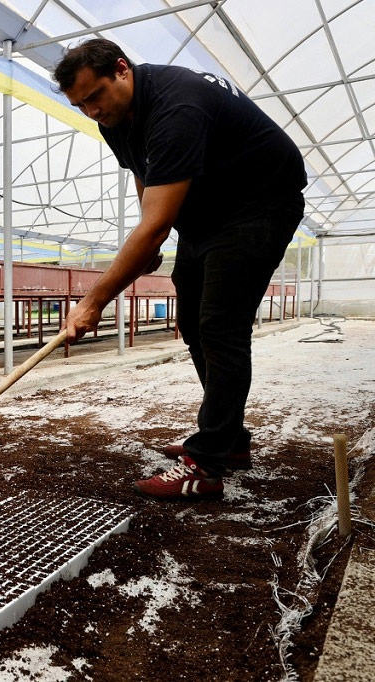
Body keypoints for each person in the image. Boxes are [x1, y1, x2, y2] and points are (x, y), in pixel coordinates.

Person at [52, 39, 306, 500]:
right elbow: (142, 170)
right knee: (192, 323)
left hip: (258, 204)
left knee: (220, 328)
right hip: (205, 215)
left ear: (122, 70)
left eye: (94, 96)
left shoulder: (177, 105)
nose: (90, 111)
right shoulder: (114, 117)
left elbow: (156, 220)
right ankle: (228, 442)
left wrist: (94, 300)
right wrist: (154, 230)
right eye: (79, 104)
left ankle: (206, 465)